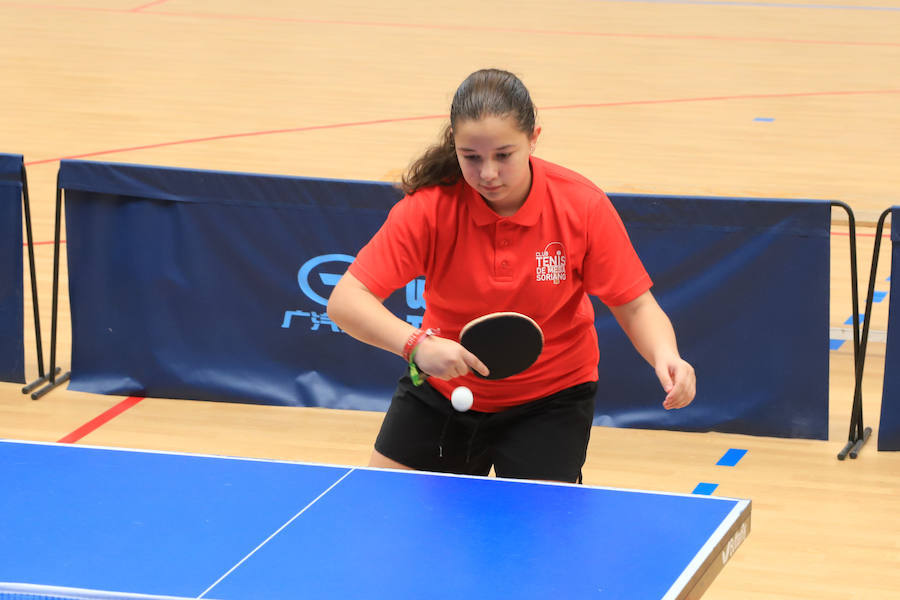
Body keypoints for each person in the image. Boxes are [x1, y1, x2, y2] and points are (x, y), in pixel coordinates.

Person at [327, 68, 695, 483]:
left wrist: (667, 355)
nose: (487, 173)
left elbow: (635, 305)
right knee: (387, 512)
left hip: (551, 399)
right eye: (471, 157)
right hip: (443, 390)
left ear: (533, 138)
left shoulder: (581, 206)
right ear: (455, 144)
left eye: (504, 155)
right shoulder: (430, 208)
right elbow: (346, 300)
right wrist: (416, 346)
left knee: (536, 540)